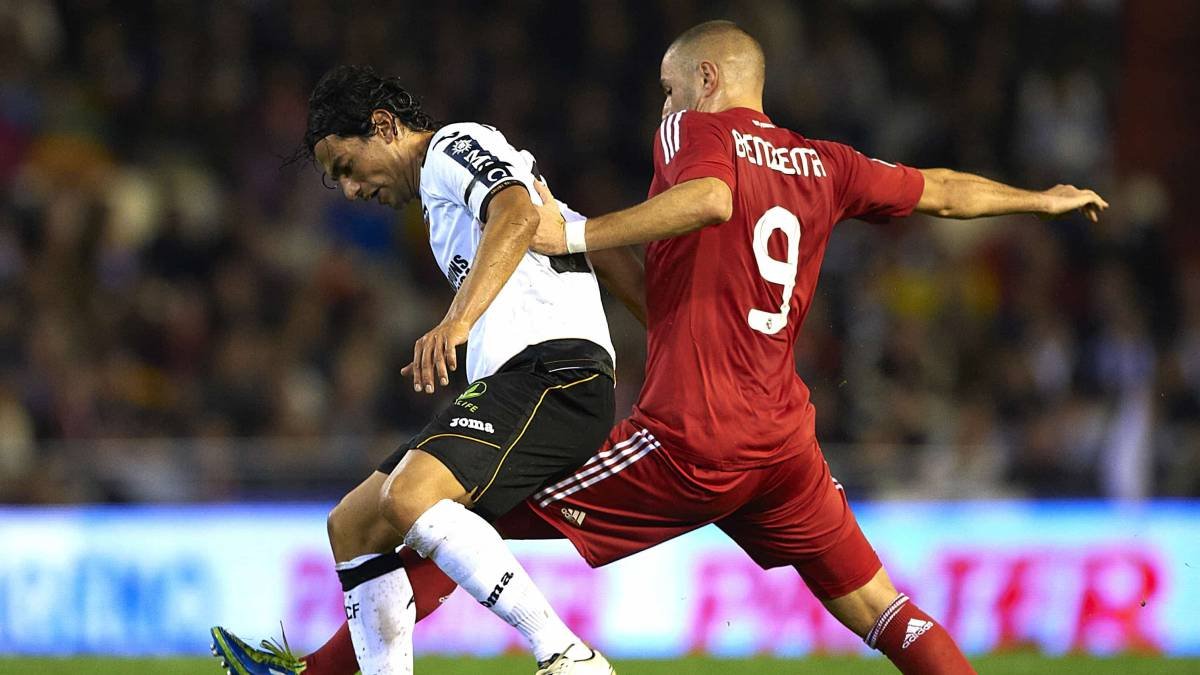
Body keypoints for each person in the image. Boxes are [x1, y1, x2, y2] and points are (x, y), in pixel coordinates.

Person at [217, 21, 1108, 675]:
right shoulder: (825, 160)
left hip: (691, 437)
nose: (663, 103)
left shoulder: (693, 134)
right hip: (782, 439)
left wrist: (578, 233)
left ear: (708, 79)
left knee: (444, 508)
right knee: (880, 608)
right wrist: (1041, 198)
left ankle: (525, 661)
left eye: (669, 86)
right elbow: (943, 191)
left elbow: (711, 200)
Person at [210, 65, 629, 675]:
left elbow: (515, 212)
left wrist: (456, 323)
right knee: (353, 524)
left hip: (558, 375)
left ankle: (567, 655)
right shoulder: (436, 205)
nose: (351, 191)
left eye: (347, 169)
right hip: (521, 382)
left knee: (407, 496)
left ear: (382, 126)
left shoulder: (452, 146)